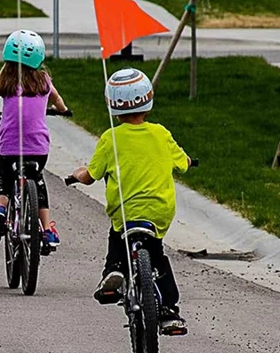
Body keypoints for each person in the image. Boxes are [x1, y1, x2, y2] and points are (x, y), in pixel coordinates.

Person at [67, 68, 191, 335]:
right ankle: (169, 312)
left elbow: (91, 176)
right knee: (156, 255)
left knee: (117, 237)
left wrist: (79, 173)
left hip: (126, 212)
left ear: (112, 104)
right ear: (148, 99)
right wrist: (188, 161)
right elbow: (182, 164)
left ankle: (114, 272)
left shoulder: (110, 138)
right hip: (158, 211)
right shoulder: (161, 134)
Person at [0, 30, 69, 249]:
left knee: (5, 178)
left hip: (10, 147)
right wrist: (62, 109)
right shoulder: (44, 81)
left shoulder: (4, 81)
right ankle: (47, 229)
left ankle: (0, 210)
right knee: (38, 182)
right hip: (38, 149)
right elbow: (58, 100)